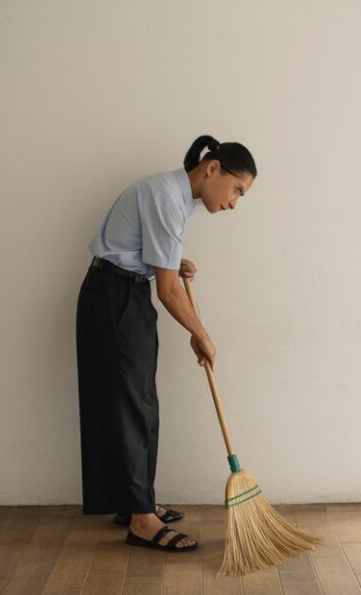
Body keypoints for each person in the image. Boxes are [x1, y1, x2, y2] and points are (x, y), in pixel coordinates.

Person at [77, 135, 257, 553]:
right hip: (114, 298)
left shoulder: (175, 198)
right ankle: (141, 519)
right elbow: (169, 291)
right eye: (237, 189)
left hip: (125, 294)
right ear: (213, 169)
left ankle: (134, 501)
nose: (234, 203)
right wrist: (202, 334)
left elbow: (155, 262)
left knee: (139, 403)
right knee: (130, 406)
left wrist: (174, 261)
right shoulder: (164, 196)